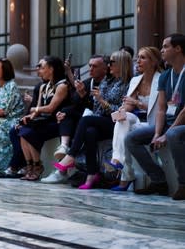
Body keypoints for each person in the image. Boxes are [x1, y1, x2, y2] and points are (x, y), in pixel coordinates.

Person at [53, 50, 132, 189]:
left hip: (119, 122)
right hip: (103, 120)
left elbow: (122, 111)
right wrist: (94, 99)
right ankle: (91, 174)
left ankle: (71, 155)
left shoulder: (128, 83)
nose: (109, 65)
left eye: (112, 62)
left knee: (87, 120)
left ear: (121, 64)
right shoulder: (107, 81)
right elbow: (95, 107)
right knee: (90, 132)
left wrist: (102, 101)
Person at [126, 33, 185, 199]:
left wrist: (166, 134)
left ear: (178, 49)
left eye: (166, 46)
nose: (162, 50)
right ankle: (158, 180)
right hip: (168, 123)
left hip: (180, 124)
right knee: (132, 138)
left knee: (173, 134)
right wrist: (158, 133)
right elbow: (161, 109)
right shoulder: (166, 76)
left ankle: (183, 183)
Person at [41, 55, 108, 184]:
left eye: (95, 66)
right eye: (89, 66)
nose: (90, 69)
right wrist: (80, 95)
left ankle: (68, 160)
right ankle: (64, 148)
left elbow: (99, 108)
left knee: (86, 126)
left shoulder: (108, 82)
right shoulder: (89, 82)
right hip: (88, 118)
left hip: (103, 120)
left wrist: (85, 96)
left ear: (105, 68)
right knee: (65, 113)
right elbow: (77, 104)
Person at [108, 47, 162, 191]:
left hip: (154, 122)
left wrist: (137, 103)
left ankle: (125, 177)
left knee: (126, 133)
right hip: (138, 121)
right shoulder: (135, 80)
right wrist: (122, 110)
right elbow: (129, 106)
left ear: (154, 62)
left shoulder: (161, 79)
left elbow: (161, 108)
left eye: (143, 57)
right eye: (138, 57)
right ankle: (117, 159)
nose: (138, 61)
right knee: (123, 119)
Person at [15, 56, 70, 181]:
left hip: (55, 122)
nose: (40, 70)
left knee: (28, 133)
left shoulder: (62, 85)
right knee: (22, 130)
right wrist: (29, 118)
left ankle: (38, 166)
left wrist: (36, 110)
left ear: (51, 69)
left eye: (43, 68)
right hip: (42, 121)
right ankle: (33, 166)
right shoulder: (43, 86)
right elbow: (38, 108)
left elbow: (50, 108)